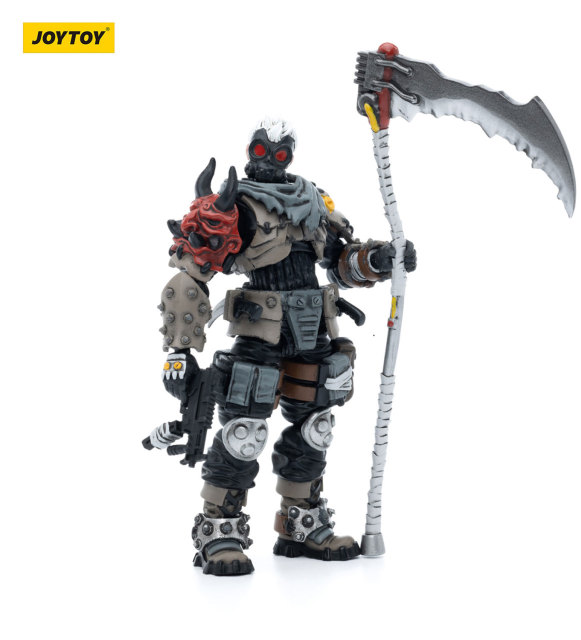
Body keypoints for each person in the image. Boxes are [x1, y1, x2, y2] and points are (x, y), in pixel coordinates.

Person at [154, 118, 416, 576]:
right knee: (243, 432)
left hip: (313, 329)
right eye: (261, 152)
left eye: (279, 153)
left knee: (316, 427)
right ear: (250, 152)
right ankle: (220, 530)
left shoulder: (312, 201)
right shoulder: (236, 205)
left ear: (290, 155)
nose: (270, 161)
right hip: (259, 332)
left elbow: (340, 262)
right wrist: (179, 352)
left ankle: (302, 522)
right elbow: (191, 272)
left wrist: (378, 259)